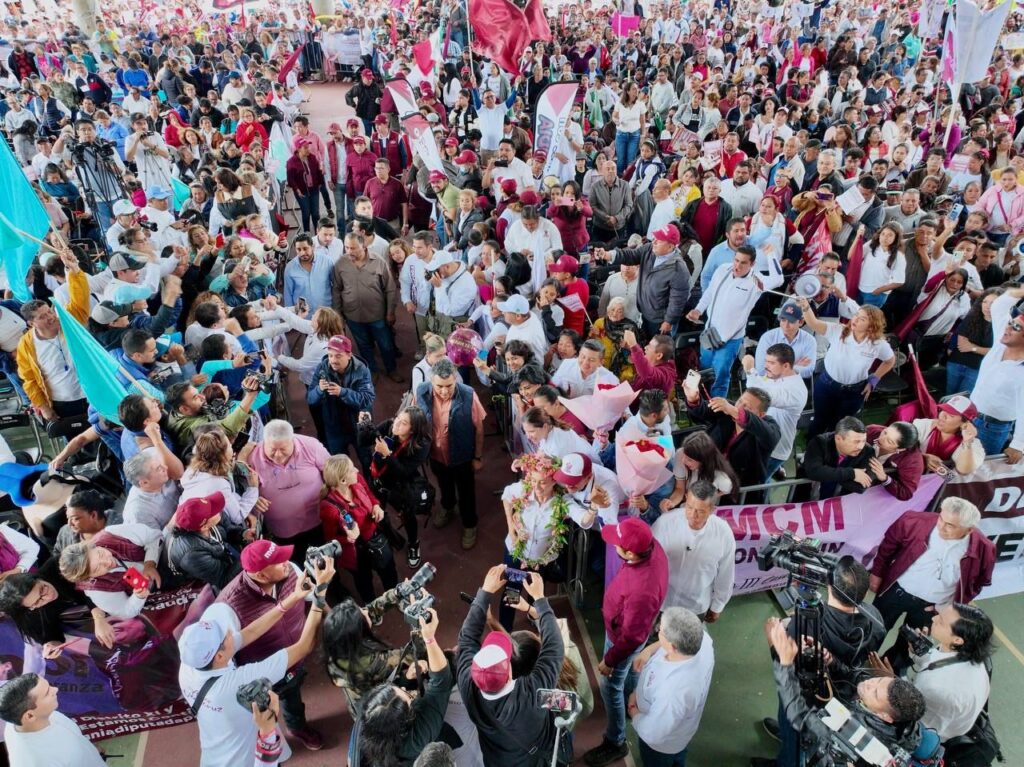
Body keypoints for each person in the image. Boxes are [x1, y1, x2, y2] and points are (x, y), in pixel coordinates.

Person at [180, 555, 333, 766]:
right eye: (225, 636)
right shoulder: (237, 683)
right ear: (220, 656)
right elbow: (303, 647)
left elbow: (249, 632)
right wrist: (320, 593)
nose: (230, 633)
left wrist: (291, 598)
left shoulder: (189, 667)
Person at [755, 556, 887, 767]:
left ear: (829, 585)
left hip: (804, 696)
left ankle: (786, 757)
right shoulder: (876, 618)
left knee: (794, 731)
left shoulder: (807, 621)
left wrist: (773, 639)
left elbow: (783, 658)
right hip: (843, 696)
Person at [213, 540, 330, 752]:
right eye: (277, 561)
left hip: (295, 662)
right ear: (260, 575)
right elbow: (224, 657)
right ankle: (268, 748)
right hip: (261, 677)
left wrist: (333, 618)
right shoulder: (228, 607)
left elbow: (314, 598)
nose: (286, 562)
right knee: (263, 718)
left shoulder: (291, 571)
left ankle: (297, 727)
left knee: (292, 699)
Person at [761, 618, 927, 767]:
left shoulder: (856, 735)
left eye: (875, 693)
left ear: (885, 717)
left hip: (818, 750)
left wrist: (782, 659)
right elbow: (853, 676)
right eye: (879, 679)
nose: (869, 683)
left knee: (795, 752)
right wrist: (830, 660)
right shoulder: (895, 704)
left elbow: (799, 716)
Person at [869, 498, 997, 672]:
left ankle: (888, 673)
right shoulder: (913, 521)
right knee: (873, 629)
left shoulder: (984, 549)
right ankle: (859, 659)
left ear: (969, 529)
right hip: (895, 591)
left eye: (950, 525)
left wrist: (945, 607)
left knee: (909, 646)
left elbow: (977, 583)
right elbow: (887, 546)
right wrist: (877, 573)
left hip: (931, 608)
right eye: (941, 518)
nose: (941, 527)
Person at [457, 565, 563, 766]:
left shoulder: (468, 688)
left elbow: (465, 641)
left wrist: (484, 596)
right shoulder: (538, 694)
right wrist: (538, 599)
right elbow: (555, 647)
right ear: (509, 674)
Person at [585, 519, 668, 767]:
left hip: (621, 640)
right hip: (637, 630)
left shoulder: (642, 590)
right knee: (630, 671)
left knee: (609, 685)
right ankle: (633, 699)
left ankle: (615, 741)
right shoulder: (653, 547)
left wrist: (610, 661)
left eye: (617, 544)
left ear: (630, 552)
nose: (614, 545)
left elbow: (631, 637)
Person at [357, 607, 456, 765]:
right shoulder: (418, 738)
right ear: (406, 722)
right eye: (409, 698)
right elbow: (441, 682)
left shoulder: (370, 724)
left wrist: (406, 678)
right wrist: (429, 639)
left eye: (399, 688)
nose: (406, 690)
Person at [687, 245, 783, 397]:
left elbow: (778, 279)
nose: (737, 265)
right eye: (736, 260)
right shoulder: (723, 269)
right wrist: (698, 310)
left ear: (752, 265)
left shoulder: (756, 280)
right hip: (709, 334)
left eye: (743, 263)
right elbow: (710, 292)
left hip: (730, 340)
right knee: (704, 371)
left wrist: (771, 254)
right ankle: (702, 403)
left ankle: (717, 410)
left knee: (720, 376)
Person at [415, 358, 487, 549]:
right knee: (443, 484)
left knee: (467, 493)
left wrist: (477, 457)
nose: (445, 391)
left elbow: (479, 429)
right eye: (439, 386)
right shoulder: (421, 391)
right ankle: (447, 506)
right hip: (436, 456)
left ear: (456, 379)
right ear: (432, 381)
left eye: (449, 386)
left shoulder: (469, 395)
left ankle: (470, 524)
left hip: (463, 457)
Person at [629, 607, 715, 767]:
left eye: (660, 631)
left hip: (661, 747)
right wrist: (648, 650)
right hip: (681, 733)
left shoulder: (675, 692)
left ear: (673, 646)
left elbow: (653, 733)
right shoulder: (702, 642)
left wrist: (634, 712)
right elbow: (663, 646)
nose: (657, 631)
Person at [796, 300, 896, 437]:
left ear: (872, 326)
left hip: (855, 391)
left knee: (840, 426)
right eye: (856, 315)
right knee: (819, 421)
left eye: (862, 319)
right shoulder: (838, 330)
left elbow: (890, 361)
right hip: (827, 385)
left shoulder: (878, 344)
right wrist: (806, 307)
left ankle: (832, 452)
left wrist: (874, 380)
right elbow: (813, 323)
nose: (855, 319)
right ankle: (811, 450)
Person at [246, 419, 330, 563]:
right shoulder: (251, 459)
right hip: (283, 530)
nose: (278, 455)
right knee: (296, 565)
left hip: (318, 521)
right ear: (264, 442)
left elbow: (332, 472)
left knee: (326, 560)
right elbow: (243, 492)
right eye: (273, 450)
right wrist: (254, 497)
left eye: (283, 449)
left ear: (293, 440)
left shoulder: (311, 446)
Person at [320, 453, 399, 602]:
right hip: (355, 551)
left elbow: (369, 494)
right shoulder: (329, 508)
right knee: (364, 580)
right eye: (352, 469)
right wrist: (348, 538)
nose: (356, 470)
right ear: (343, 480)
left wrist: (376, 506)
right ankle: (372, 606)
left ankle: (395, 596)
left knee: (388, 569)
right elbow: (330, 538)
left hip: (375, 536)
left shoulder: (358, 480)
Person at [652, 481, 735, 622]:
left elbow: (726, 574)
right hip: (662, 601)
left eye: (701, 511)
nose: (692, 515)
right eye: (689, 507)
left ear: (712, 509)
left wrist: (718, 605)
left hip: (695, 606)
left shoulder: (724, 533)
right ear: (685, 498)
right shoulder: (665, 523)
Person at [593, 225, 693, 339]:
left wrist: (669, 321)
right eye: (654, 238)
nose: (654, 242)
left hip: (660, 320)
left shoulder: (678, 269)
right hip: (644, 313)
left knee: (657, 350)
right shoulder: (649, 249)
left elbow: (678, 300)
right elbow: (630, 255)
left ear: (670, 246)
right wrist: (608, 254)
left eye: (659, 240)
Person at [364, 407, 433, 568]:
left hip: (399, 486)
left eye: (404, 423)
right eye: (397, 419)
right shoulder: (390, 426)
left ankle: (413, 543)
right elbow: (363, 441)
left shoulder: (422, 444)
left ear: (413, 429)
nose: (397, 424)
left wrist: (387, 454)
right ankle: (393, 538)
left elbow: (403, 472)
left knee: (407, 515)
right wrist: (364, 426)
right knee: (377, 514)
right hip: (376, 480)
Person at [682, 382, 781, 492]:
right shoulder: (728, 408)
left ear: (761, 415)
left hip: (741, 491)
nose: (739, 407)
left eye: (746, 407)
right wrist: (693, 399)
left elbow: (770, 435)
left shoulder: (768, 426)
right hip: (708, 480)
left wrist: (733, 411)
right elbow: (702, 410)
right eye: (739, 401)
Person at [58, 522, 162, 620]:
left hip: (164, 556)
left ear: (94, 545)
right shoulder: (96, 590)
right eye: (97, 568)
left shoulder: (111, 534)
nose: (107, 562)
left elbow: (155, 536)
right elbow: (126, 611)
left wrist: (150, 563)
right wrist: (138, 596)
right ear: (89, 578)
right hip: (159, 597)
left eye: (100, 554)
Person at [0, 673, 106, 767]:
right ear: (30, 716)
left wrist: (89, 750)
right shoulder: (38, 761)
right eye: (47, 693)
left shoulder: (18, 720)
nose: (55, 689)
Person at [968, 287, 1024, 459]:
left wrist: (1018, 445)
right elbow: (999, 306)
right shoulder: (1002, 343)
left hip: (991, 429)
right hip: (967, 415)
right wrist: (1021, 291)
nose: (1008, 327)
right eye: (1010, 322)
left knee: (974, 473)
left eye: (1016, 327)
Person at [741, 345, 809, 479]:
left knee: (757, 485)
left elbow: (763, 395)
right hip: (763, 439)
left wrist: (750, 370)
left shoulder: (795, 390)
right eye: (766, 361)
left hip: (775, 450)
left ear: (786, 366)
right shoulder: (774, 375)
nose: (766, 366)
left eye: (771, 363)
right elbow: (762, 384)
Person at [308, 334, 376, 461]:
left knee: (367, 461)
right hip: (334, 428)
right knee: (339, 465)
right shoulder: (322, 368)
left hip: (358, 426)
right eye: (330, 355)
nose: (333, 360)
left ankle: (370, 481)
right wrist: (319, 390)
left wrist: (343, 392)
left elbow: (367, 399)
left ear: (349, 355)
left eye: (338, 356)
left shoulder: (361, 370)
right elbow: (310, 399)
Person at [167, 491, 242, 593]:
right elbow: (223, 580)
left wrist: (242, 534)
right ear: (204, 527)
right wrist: (247, 557)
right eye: (212, 511)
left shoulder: (209, 520)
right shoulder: (192, 555)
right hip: (193, 580)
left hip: (219, 555)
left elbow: (227, 529)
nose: (218, 510)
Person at [801, 416, 876, 498]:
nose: (860, 446)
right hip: (806, 497)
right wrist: (852, 474)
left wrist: (826, 473)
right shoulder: (819, 442)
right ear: (838, 438)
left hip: (841, 503)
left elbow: (861, 486)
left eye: (864, 441)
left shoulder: (868, 450)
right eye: (856, 442)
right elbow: (814, 472)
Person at [912, 395, 985, 476]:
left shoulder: (972, 444)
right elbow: (898, 449)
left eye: (951, 415)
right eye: (943, 410)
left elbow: (963, 471)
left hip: (943, 486)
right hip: (912, 477)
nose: (942, 416)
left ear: (965, 423)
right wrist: (922, 458)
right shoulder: (923, 425)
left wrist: (967, 441)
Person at [865, 422, 924, 500]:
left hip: (874, 494)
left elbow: (906, 493)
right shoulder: (872, 430)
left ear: (900, 449)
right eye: (885, 432)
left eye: (889, 441)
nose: (881, 439)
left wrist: (885, 478)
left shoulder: (912, 460)